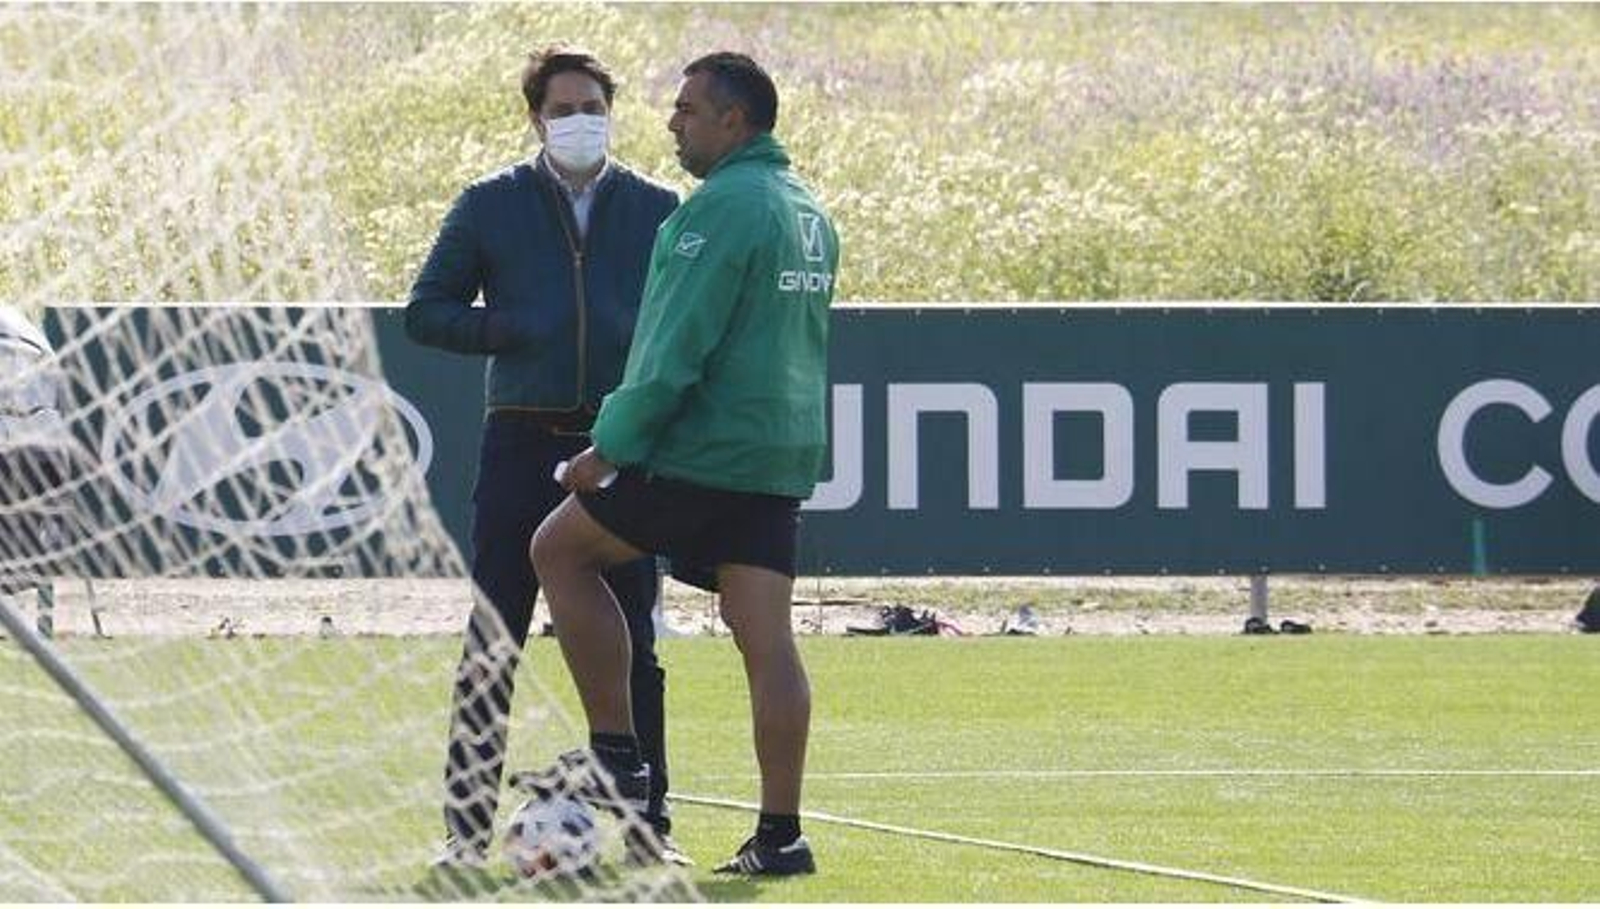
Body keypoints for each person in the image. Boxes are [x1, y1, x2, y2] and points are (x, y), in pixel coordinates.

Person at [530, 51, 839, 877]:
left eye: (689, 109)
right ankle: (781, 836)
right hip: (777, 456)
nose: (672, 121)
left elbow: (673, 349)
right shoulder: (808, 210)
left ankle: (614, 752)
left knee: (558, 549)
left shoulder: (719, 213)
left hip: (702, 449)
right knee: (766, 639)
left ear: (735, 121)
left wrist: (610, 448)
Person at [404, 45, 685, 868]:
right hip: (520, 438)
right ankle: (464, 829)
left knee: (634, 635)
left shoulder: (658, 207)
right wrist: (507, 327)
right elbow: (428, 310)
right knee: (495, 633)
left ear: (611, 109)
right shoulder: (491, 203)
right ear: (535, 119)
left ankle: (647, 824)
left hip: (617, 444)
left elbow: (681, 320)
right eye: (560, 108)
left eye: (589, 104)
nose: (576, 119)